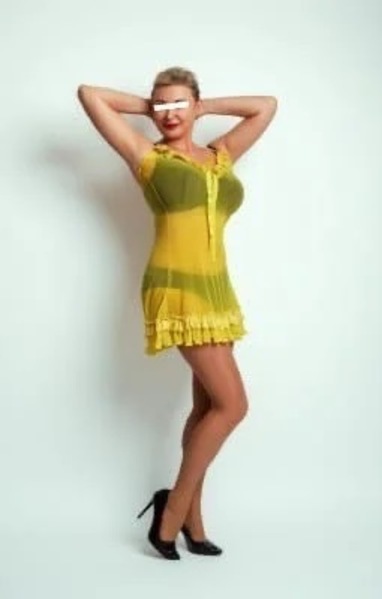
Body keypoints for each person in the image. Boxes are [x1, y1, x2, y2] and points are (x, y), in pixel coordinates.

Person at [77, 66, 278, 560]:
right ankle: (172, 509)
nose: (170, 113)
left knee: (208, 409)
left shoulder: (220, 154)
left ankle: (193, 519)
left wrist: (202, 107)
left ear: (195, 105)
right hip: (177, 289)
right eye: (161, 105)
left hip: (218, 290)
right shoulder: (146, 155)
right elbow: (90, 94)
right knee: (234, 406)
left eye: (179, 104)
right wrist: (152, 108)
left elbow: (266, 106)